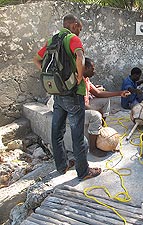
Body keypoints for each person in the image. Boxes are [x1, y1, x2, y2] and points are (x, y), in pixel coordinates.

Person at [33, 14, 101, 181]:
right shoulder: (73, 39)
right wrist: (78, 77)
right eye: (80, 28)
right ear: (75, 25)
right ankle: (83, 172)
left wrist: (50, 78)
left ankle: (62, 166)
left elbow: (36, 59)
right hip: (72, 94)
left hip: (57, 94)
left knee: (57, 132)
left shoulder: (52, 40)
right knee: (78, 135)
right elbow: (80, 57)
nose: (80, 32)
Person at [83, 57, 130, 157]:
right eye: (92, 68)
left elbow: (98, 93)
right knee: (95, 115)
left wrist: (119, 93)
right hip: (77, 111)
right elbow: (80, 104)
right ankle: (93, 148)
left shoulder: (86, 79)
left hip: (85, 106)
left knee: (105, 100)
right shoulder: (77, 81)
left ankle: (101, 130)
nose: (94, 71)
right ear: (85, 68)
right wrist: (95, 111)